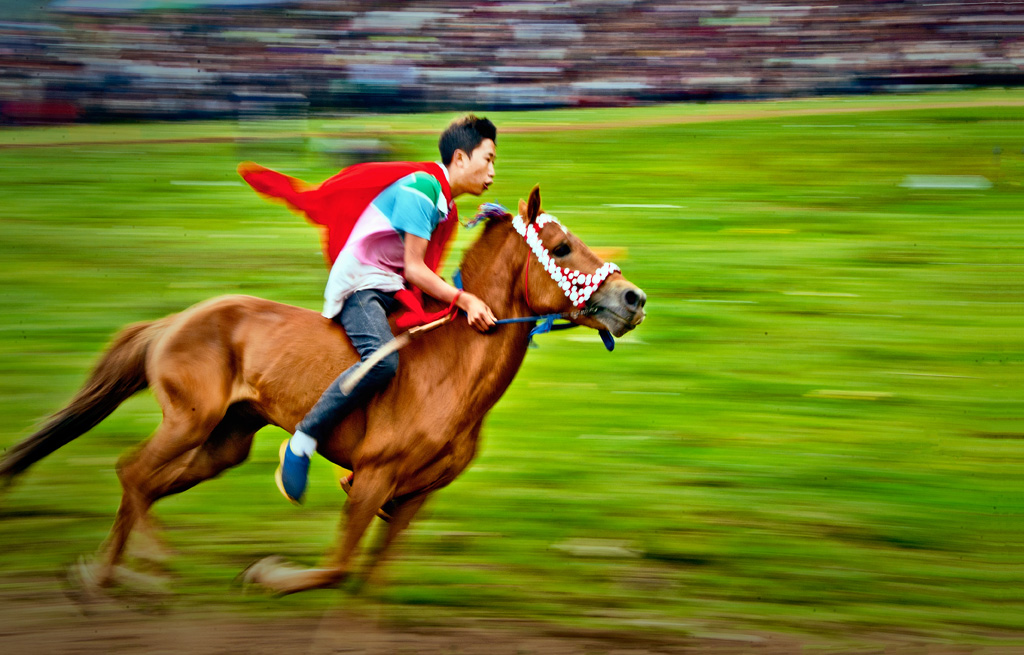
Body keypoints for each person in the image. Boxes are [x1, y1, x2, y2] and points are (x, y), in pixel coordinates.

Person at [240, 115, 498, 504]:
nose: (492, 172)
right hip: (363, 286)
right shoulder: (423, 191)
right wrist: (463, 299)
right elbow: (416, 268)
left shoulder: (445, 206)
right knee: (383, 363)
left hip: (392, 288)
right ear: (460, 159)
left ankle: (378, 458)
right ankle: (302, 441)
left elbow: (422, 274)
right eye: (488, 159)